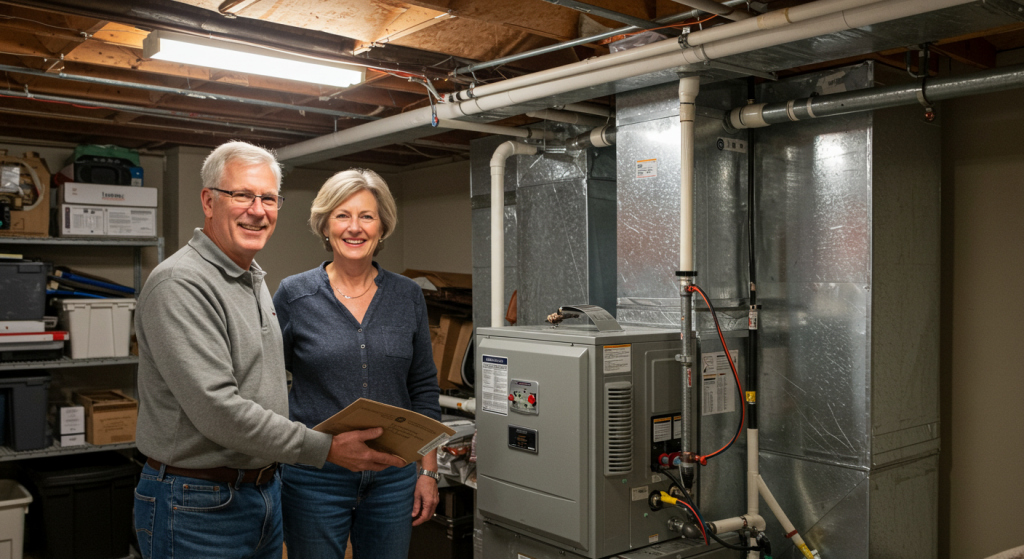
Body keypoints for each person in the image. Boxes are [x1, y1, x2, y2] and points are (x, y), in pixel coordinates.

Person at [133, 142, 404, 559]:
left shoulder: (251, 279)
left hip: (260, 492)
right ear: (208, 200)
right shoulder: (180, 284)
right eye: (242, 195)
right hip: (196, 502)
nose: (257, 209)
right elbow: (218, 409)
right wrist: (325, 448)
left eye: (268, 198)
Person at [273, 168, 442, 558]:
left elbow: (423, 387)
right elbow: (263, 378)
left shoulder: (407, 296)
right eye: (342, 215)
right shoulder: (294, 295)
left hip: (392, 477)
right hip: (315, 478)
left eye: (366, 216)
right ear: (325, 226)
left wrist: (428, 472)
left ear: (382, 227)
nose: (355, 227)